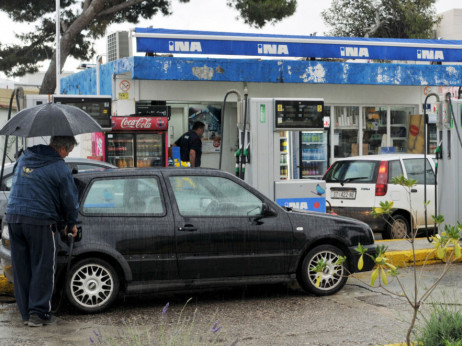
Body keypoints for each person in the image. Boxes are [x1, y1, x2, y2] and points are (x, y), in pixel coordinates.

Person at [6, 136, 79, 327]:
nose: (67, 156)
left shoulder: (24, 159)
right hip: (39, 220)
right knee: (44, 266)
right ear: (62, 148)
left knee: (22, 267)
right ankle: (38, 314)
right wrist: (71, 223)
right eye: (68, 152)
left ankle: (26, 313)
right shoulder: (59, 167)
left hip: (13, 218)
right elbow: (69, 201)